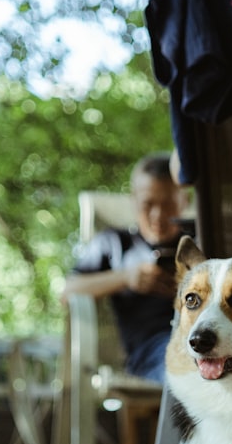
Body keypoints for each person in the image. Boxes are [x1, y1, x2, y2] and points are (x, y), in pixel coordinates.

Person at [62, 153, 189, 384]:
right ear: (134, 200)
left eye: (168, 204)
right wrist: (126, 278)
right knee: (185, 371)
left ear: (184, 201)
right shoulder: (113, 243)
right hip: (153, 354)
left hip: (204, 340)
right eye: (148, 204)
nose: (158, 215)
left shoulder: (201, 241)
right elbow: (68, 292)